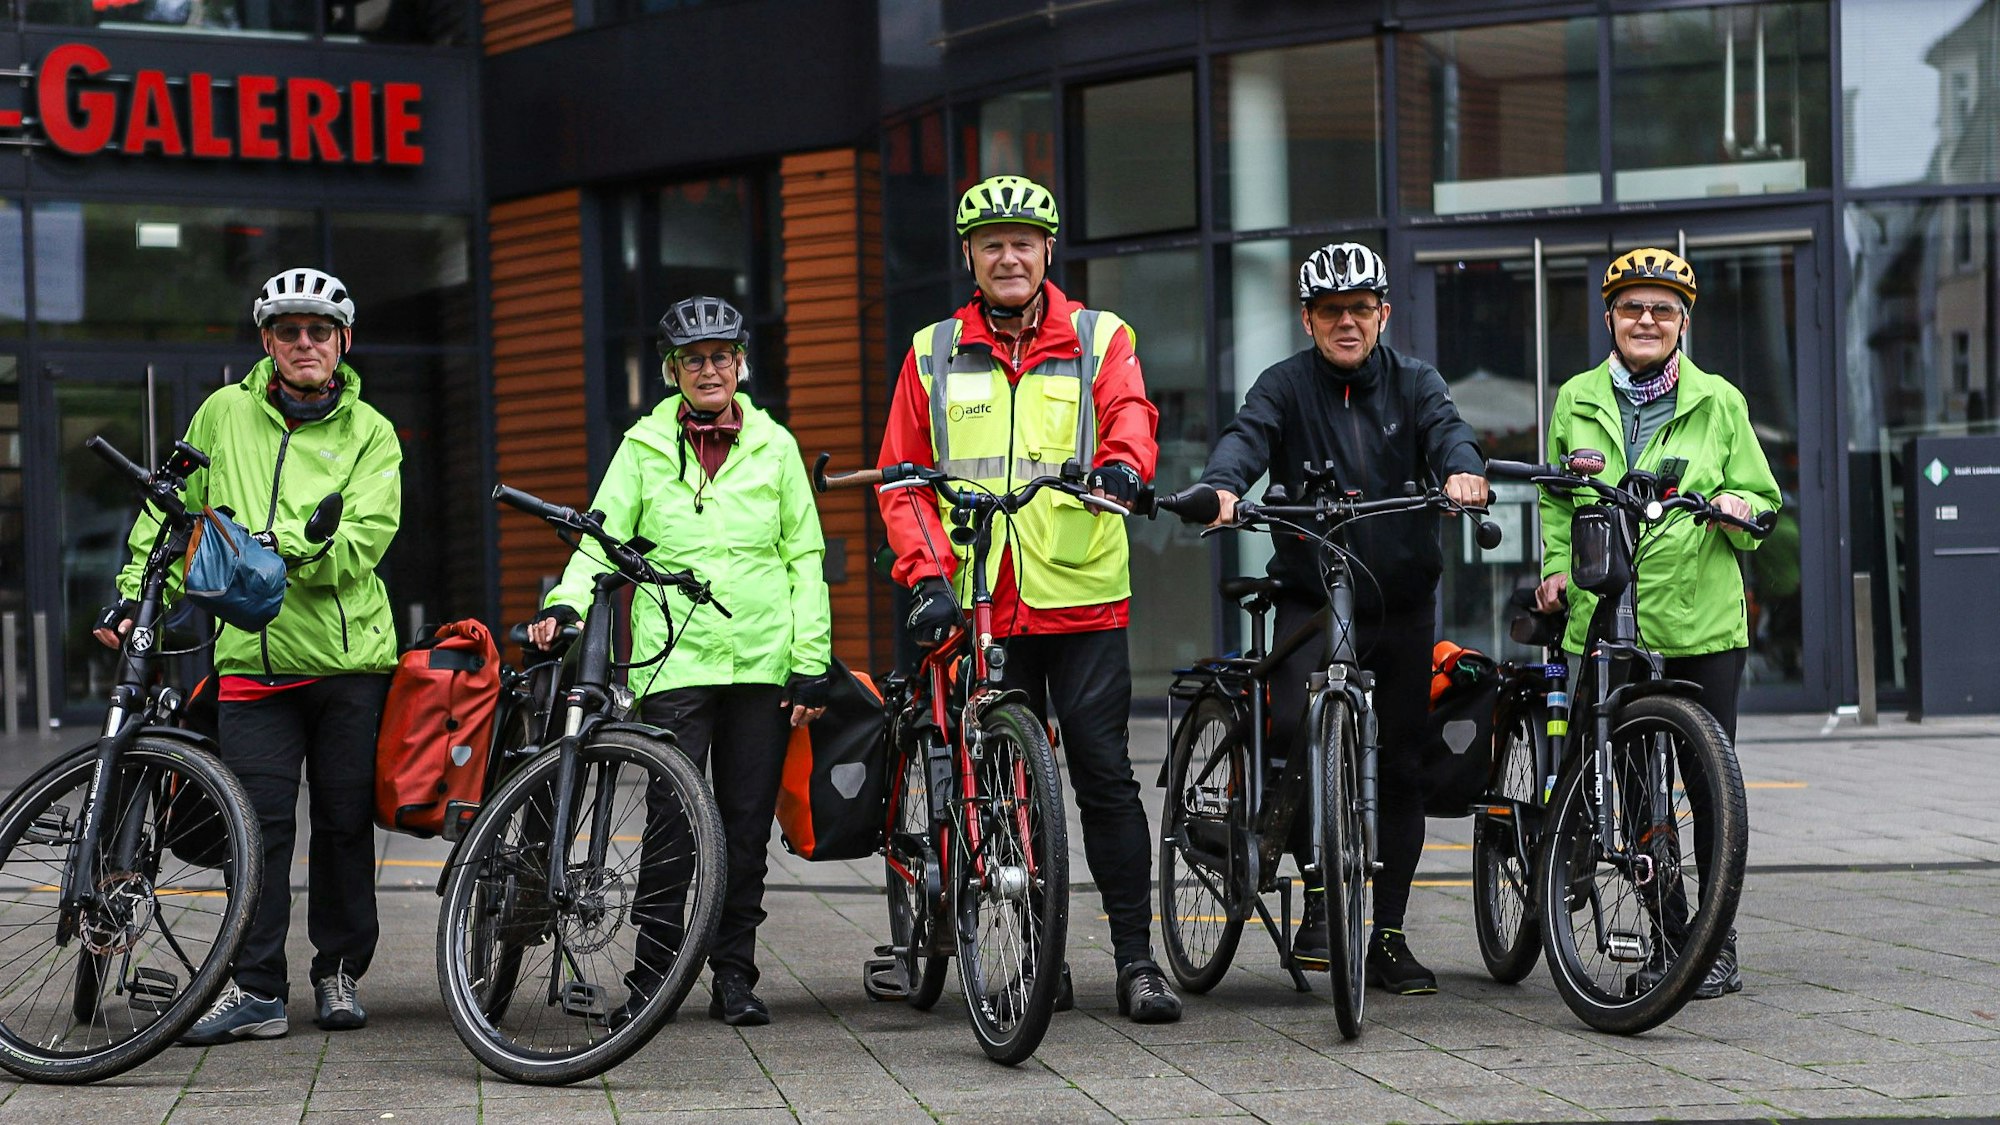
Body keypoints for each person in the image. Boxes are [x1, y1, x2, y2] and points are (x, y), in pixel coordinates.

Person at [875, 174, 1179, 1023]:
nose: (1008, 256)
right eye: (991, 243)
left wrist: (1124, 467)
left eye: (1023, 241)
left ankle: (1135, 959)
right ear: (969, 256)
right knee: (1000, 787)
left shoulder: (1098, 336)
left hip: (1080, 594)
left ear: (1049, 251)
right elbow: (903, 479)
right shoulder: (932, 349)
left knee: (1105, 778)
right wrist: (929, 575)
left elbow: (1131, 418)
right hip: (979, 596)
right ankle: (1032, 955)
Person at [96, 267, 403, 1043]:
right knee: (256, 829)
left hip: (347, 664)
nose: (305, 343)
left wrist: (274, 550)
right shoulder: (222, 413)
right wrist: (140, 598)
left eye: (319, 331)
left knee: (341, 824)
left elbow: (362, 540)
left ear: (343, 343)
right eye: (289, 331)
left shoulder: (372, 431)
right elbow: (167, 517)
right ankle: (257, 987)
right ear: (268, 341)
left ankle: (337, 971)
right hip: (250, 663)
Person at [526, 294, 833, 1027]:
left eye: (720, 357)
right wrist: (567, 604)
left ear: (739, 364)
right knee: (669, 826)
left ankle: (734, 975)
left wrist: (811, 658)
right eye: (692, 360)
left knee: (744, 828)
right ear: (672, 370)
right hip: (676, 664)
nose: (707, 370)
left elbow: (805, 557)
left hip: (761, 662)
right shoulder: (641, 448)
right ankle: (653, 980)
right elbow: (599, 539)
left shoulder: (776, 445)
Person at [1199, 242, 1489, 996]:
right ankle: (1321, 894)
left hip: (1397, 599)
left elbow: (1449, 430)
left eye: (1362, 308)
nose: (1348, 322)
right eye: (1332, 310)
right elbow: (1246, 436)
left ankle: (1388, 934)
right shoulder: (1285, 386)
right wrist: (1224, 486)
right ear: (1309, 319)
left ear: (1384, 313)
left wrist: (1463, 470)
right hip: (1313, 592)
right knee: (1299, 728)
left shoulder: (1415, 383)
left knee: (1399, 766)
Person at [1532, 247, 1781, 1000]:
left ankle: (1717, 946)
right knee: (1636, 791)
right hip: (1609, 619)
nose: (1647, 319)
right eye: (1633, 307)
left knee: (1711, 788)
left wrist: (1740, 509)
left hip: (1700, 621)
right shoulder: (1575, 396)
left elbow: (1760, 497)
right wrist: (1552, 564)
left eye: (1663, 309)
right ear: (1610, 318)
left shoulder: (1721, 402)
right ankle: (1674, 933)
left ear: (1683, 322)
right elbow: (1553, 498)